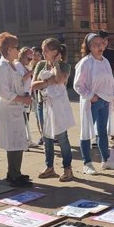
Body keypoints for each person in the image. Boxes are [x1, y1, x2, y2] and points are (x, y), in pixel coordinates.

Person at [31, 38, 75, 182]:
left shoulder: (64, 65)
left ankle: (67, 168)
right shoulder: (40, 65)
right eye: (42, 49)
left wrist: (55, 63)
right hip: (42, 104)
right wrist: (48, 82)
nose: (43, 53)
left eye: (46, 50)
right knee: (47, 137)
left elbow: (60, 79)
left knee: (62, 137)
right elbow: (34, 85)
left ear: (55, 52)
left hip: (57, 107)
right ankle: (49, 167)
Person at [74, 33, 114, 175]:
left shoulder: (105, 61)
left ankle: (106, 160)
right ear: (89, 47)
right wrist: (91, 96)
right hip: (91, 102)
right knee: (86, 132)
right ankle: (87, 163)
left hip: (105, 101)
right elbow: (77, 85)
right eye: (96, 44)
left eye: (101, 43)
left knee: (102, 132)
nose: (100, 46)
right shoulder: (85, 63)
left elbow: (110, 81)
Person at [0, 32, 33, 187]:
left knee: (18, 141)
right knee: (12, 142)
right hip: (8, 110)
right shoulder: (1, 67)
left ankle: (16, 172)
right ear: (9, 49)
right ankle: (13, 174)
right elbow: (3, 92)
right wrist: (22, 98)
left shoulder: (13, 65)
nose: (18, 50)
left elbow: (19, 84)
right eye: (16, 47)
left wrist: (26, 94)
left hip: (16, 108)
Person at [14, 47, 36, 148]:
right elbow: (21, 80)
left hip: (27, 94)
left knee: (26, 119)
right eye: (28, 59)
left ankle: (27, 139)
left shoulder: (24, 66)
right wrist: (31, 72)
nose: (30, 61)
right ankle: (23, 142)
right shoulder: (18, 65)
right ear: (22, 56)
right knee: (23, 120)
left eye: (31, 59)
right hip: (23, 96)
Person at [31, 45, 44, 145]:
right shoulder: (27, 67)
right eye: (34, 54)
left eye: (38, 55)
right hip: (33, 96)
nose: (35, 57)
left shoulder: (42, 66)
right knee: (38, 116)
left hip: (42, 94)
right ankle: (42, 135)